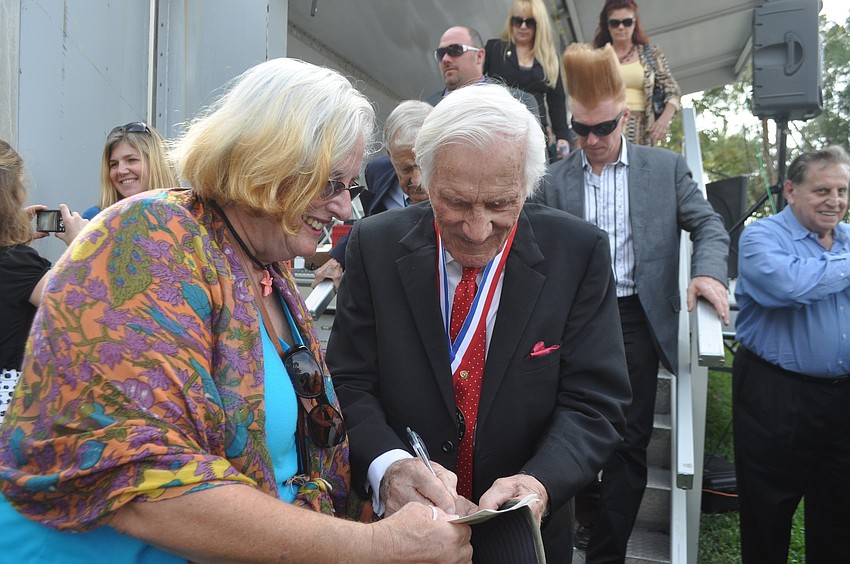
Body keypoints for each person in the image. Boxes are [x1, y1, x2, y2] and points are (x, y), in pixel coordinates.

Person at [0, 58, 472, 564]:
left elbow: (299, 447)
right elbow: (142, 485)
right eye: (330, 184)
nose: (343, 209)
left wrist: (392, 478)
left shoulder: (262, 263)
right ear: (265, 161)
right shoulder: (150, 240)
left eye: (350, 188)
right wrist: (374, 548)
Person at [327, 82, 632, 564]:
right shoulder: (374, 245)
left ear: (528, 187)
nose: (476, 229)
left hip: (522, 540)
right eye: (456, 203)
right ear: (424, 180)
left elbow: (595, 401)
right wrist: (389, 467)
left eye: (498, 204)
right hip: (401, 532)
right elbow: (349, 380)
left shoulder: (578, 253)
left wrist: (540, 483)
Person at [537, 43, 729, 562]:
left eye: (603, 128)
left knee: (627, 444)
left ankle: (606, 555)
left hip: (636, 320)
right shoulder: (552, 183)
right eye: (582, 129)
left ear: (625, 117)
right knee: (559, 431)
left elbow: (708, 224)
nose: (593, 140)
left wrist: (708, 273)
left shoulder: (663, 170)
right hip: (571, 322)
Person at [733, 146, 850, 564]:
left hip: (842, 399)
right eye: (822, 190)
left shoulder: (847, 239)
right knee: (768, 514)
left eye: (841, 190)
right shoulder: (761, 237)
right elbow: (789, 286)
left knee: (840, 516)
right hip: (776, 395)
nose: (834, 201)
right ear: (790, 190)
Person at [0, 139, 87, 423]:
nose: (24, 195)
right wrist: (82, 247)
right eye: (20, 185)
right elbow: (80, 309)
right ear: (8, 195)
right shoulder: (15, 264)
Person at [312, 100, 433, 291]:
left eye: (425, 164)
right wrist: (339, 258)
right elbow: (374, 222)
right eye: (406, 168)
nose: (417, 181)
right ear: (390, 155)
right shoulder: (377, 173)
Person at [484, 0, 570, 159]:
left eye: (529, 22)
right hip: (501, 130)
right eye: (518, 21)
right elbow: (477, 83)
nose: (523, 27)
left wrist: (562, 137)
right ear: (511, 22)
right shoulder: (495, 48)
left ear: (539, 25)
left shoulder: (549, 58)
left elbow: (556, 101)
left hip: (536, 134)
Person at [593, 0, 681, 147]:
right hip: (606, 128)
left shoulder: (651, 53)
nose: (621, 27)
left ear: (635, 23)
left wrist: (663, 121)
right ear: (607, 26)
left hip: (643, 130)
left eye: (627, 22)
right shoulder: (597, 57)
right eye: (615, 23)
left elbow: (673, 91)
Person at [425, 26, 541, 124]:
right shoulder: (425, 110)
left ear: (479, 56)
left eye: (455, 50)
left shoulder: (519, 102)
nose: (445, 59)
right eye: (441, 54)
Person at [82, 122, 178, 219]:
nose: (121, 171)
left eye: (131, 160)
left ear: (157, 163)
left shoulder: (185, 216)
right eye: (114, 164)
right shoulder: (94, 218)